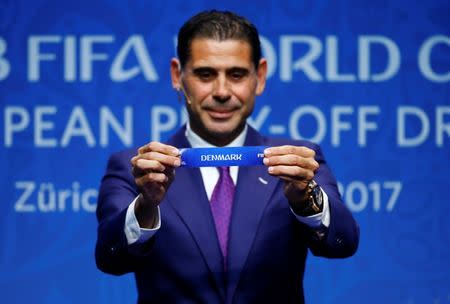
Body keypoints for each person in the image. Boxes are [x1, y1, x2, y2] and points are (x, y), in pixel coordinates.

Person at [95, 10, 359, 304]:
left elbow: (343, 242)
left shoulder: (297, 162)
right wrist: (146, 205)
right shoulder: (138, 168)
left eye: (236, 74)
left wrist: (305, 199)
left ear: (259, 77)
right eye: (205, 74)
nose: (222, 91)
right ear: (177, 75)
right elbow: (110, 259)